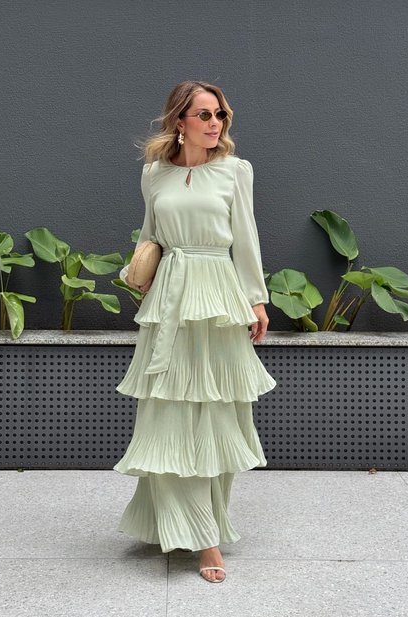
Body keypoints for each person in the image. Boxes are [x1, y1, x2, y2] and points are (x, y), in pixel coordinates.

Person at [114, 80, 277, 583]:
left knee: (214, 415)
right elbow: (150, 236)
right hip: (169, 296)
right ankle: (188, 529)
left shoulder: (235, 171)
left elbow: (245, 237)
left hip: (218, 297)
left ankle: (204, 528)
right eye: (204, 114)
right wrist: (140, 276)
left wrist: (255, 298)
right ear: (179, 121)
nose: (215, 123)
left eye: (220, 114)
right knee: (166, 414)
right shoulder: (154, 174)